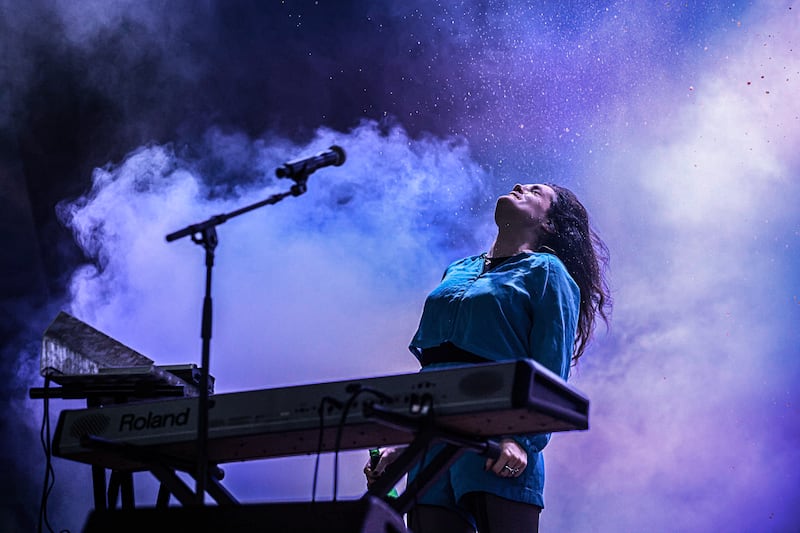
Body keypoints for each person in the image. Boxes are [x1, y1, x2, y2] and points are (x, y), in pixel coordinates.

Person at [364, 183, 611, 532]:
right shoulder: (458, 269)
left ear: (549, 224)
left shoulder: (547, 272)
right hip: (432, 439)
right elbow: (433, 370)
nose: (519, 186)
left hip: (497, 437)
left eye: (535, 191)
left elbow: (549, 372)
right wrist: (405, 447)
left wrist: (521, 439)